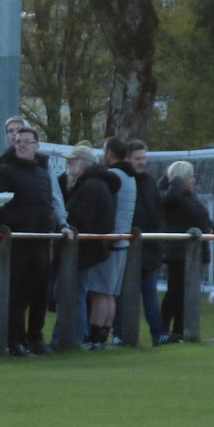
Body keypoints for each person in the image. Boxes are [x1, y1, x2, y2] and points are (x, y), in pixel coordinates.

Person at [0, 126, 58, 355]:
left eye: (26, 141)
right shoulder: (5, 170)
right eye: (18, 141)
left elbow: (47, 203)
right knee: (17, 294)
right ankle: (15, 340)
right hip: (19, 241)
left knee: (40, 292)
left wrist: (51, 222)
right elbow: (0, 206)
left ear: (36, 146)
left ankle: (35, 337)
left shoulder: (42, 174)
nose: (21, 144)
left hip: (41, 241)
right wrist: (16, 224)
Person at [77, 138, 137, 349]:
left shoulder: (113, 176)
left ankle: (94, 337)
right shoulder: (131, 178)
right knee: (111, 292)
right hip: (123, 240)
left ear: (109, 153)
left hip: (110, 241)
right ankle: (103, 335)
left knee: (100, 292)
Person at [61, 144, 119, 348]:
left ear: (84, 164)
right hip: (93, 248)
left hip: (85, 249)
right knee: (96, 293)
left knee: (78, 294)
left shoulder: (91, 186)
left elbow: (82, 219)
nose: (68, 164)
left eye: (72, 160)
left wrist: (65, 222)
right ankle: (90, 336)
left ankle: (75, 338)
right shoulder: (97, 183)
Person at [158, 161, 211, 341]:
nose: (193, 179)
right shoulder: (173, 197)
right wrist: (176, 181)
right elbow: (171, 199)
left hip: (189, 253)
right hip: (178, 253)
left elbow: (202, 216)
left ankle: (179, 330)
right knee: (175, 292)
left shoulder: (189, 197)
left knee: (181, 292)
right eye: (190, 176)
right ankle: (164, 328)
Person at [125, 140, 168, 343]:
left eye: (144, 158)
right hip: (127, 247)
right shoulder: (124, 180)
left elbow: (157, 212)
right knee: (124, 294)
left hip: (149, 248)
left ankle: (157, 334)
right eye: (138, 158)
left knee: (149, 293)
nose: (142, 162)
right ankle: (121, 334)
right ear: (128, 159)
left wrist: (158, 239)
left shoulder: (150, 182)